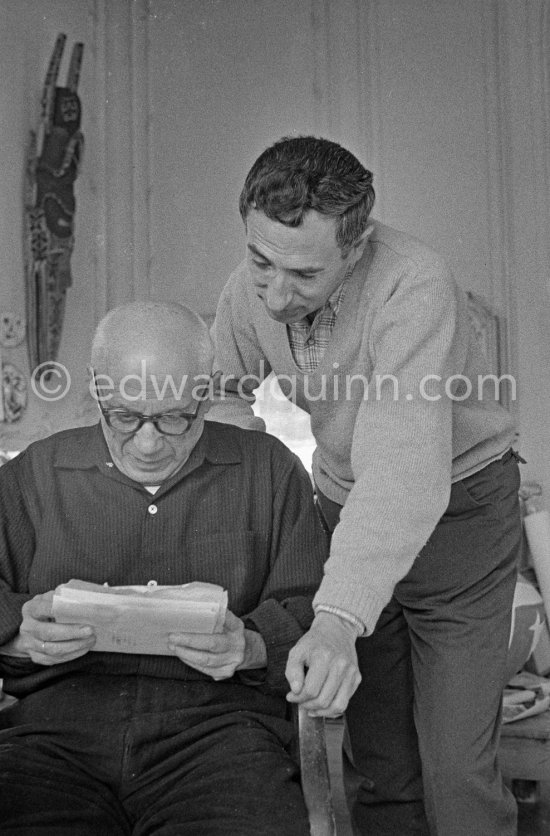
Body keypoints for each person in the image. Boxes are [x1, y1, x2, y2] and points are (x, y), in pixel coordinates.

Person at [208, 135, 524, 835]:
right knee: (379, 768)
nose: (276, 293)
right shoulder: (248, 288)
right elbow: (224, 399)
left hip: (459, 521)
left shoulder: (414, 284)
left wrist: (337, 617)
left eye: (305, 274)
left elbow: (403, 470)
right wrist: (254, 497)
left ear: (356, 248)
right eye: (262, 260)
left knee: (456, 778)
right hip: (348, 516)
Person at [0, 300, 328, 835]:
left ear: (208, 391)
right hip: (53, 733)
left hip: (220, 735)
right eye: (125, 417)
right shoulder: (36, 472)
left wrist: (251, 645)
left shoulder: (268, 470)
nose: (149, 442)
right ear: (96, 389)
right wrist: (18, 635)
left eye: (176, 416)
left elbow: (317, 612)